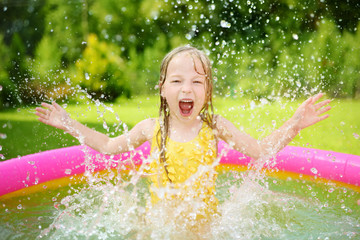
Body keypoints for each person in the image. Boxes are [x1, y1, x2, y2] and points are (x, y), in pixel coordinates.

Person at [35, 45, 331, 233]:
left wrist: (295, 124)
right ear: (162, 88)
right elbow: (109, 147)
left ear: (208, 90)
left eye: (196, 81)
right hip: (158, 226)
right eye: (177, 80)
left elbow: (259, 151)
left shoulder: (215, 126)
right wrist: (69, 123)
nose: (186, 89)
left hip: (204, 229)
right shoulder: (150, 128)